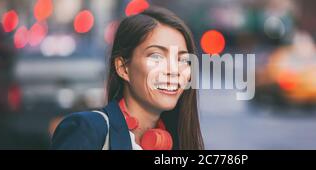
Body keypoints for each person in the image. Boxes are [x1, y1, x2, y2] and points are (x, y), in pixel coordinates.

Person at [51, 7, 204, 150]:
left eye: (183, 60)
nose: (174, 70)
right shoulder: (88, 130)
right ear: (123, 68)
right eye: (156, 56)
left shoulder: (179, 140)